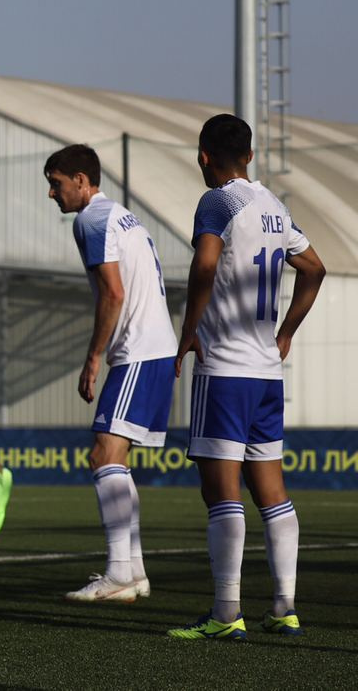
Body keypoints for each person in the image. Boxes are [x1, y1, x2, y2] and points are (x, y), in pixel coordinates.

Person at [169, 114, 325, 641]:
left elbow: (205, 265)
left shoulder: (217, 202)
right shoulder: (275, 207)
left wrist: (188, 330)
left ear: (203, 156)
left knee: (222, 494)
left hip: (225, 370)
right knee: (273, 493)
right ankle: (284, 607)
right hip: (265, 372)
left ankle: (225, 613)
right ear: (251, 156)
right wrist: (286, 333)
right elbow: (314, 268)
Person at [43, 144, 177, 604]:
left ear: (82, 181)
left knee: (103, 456)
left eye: (56, 183)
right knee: (115, 459)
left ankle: (120, 572)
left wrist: (93, 357)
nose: (52, 193)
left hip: (137, 351)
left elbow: (113, 293)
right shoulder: (123, 215)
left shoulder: (91, 219)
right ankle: (133, 573)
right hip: (155, 349)